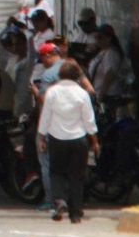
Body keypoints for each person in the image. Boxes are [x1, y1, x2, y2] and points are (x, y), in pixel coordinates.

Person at [36, 58, 98, 223]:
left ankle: (59, 201)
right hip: (79, 140)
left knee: (56, 172)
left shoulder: (52, 92)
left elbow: (46, 116)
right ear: (77, 75)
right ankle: (76, 213)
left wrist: (42, 137)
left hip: (57, 139)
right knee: (76, 176)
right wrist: (95, 141)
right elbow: (89, 120)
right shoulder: (82, 94)